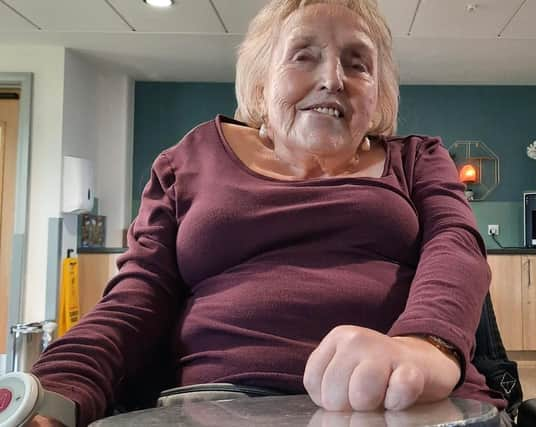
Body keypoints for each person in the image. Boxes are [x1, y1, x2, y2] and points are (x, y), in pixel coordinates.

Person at [29, 0, 509, 426]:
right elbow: (136, 299)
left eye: (357, 63)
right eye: (303, 55)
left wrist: (426, 347)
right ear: (260, 82)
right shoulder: (187, 161)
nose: (333, 79)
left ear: (378, 94)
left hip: (402, 404)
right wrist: (54, 393)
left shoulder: (418, 158)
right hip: (212, 406)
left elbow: (456, 247)